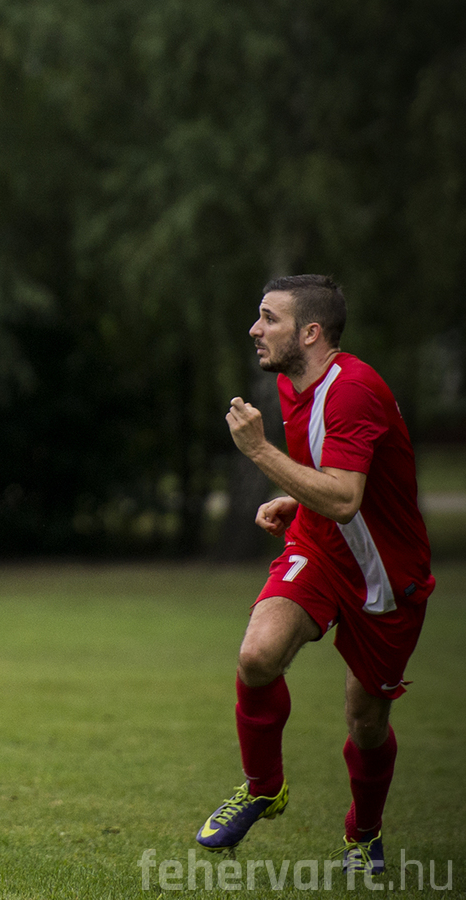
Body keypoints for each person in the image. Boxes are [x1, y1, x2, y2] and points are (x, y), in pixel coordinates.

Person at [195, 275, 432, 876]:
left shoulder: (352, 390)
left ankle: (363, 835)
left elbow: (347, 498)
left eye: (269, 318)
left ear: (310, 332)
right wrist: (296, 500)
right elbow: (334, 478)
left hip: (385, 575)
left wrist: (260, 453)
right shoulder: (291, 381)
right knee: (257, 655)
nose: (255, 329)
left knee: (366, 722)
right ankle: (263, 788)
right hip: (321, 546)